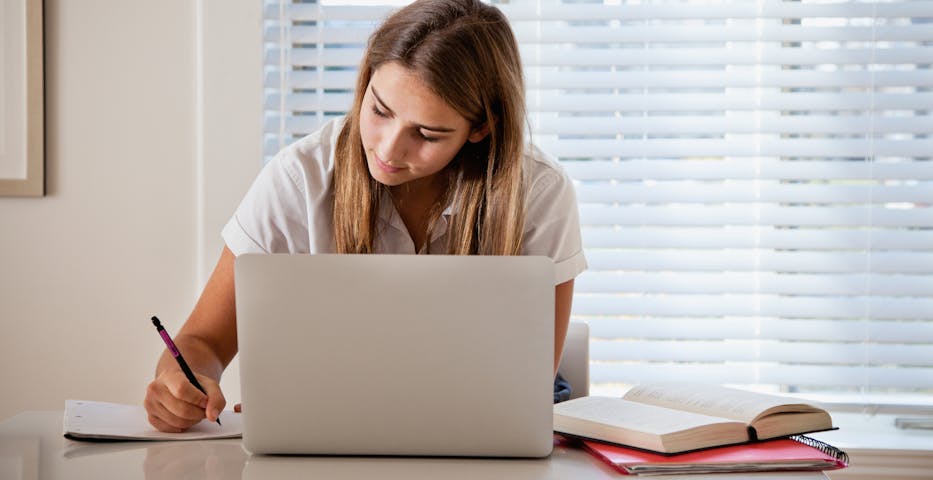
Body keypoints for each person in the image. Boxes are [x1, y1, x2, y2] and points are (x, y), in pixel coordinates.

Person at [144, 0, 586, 433]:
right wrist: (182, 383)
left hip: (477, 434)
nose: (388, 149)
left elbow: (529, 381)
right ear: (365, 82)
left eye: (427, 133)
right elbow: (202, 342)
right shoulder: (301, 178)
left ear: (480, 128)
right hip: (330, 436)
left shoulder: (540, 192)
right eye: (379, 110)